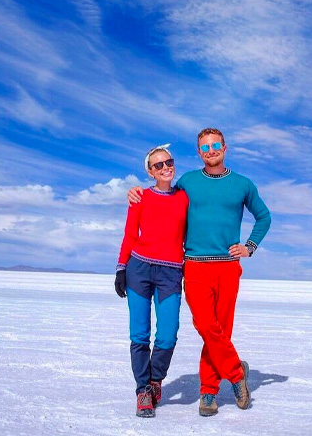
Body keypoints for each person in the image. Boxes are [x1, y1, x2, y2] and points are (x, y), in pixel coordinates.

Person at [128, 128, 271, 416]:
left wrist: (249, 246)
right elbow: (162, 198)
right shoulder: (188, 182)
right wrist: (137, 193)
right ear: (198, 152)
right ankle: (236, 371)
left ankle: (208, 392)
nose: (211, 150)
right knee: (206, 326)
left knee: (221, 329)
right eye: (204, 147)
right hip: (193, 264)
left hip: (228, 266)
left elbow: (264, 216)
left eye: (215, 144)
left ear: (225, 147)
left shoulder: (243, 184)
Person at [115, 144, 189, 418]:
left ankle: (156, 379)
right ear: (149, 171)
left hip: (171, 271)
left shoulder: (184, 197)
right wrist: (121, 268)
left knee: (168, 334)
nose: (165, 167)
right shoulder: (140, 197)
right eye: (158, 165)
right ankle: (142, 390)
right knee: (139, 334)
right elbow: (129, 234)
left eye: (168, 162)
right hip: (139, 268)